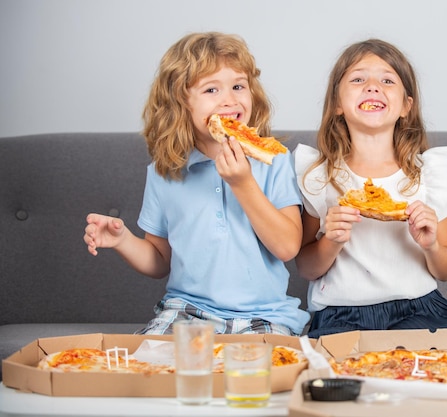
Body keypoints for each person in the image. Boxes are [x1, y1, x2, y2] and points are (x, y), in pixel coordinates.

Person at [83, 32, 310, 336]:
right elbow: (160, 260)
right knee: (149, 374)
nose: (229, 100)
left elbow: (286, 247)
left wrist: (243, 183)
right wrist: (123, 240)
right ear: (180, 103)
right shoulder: (165, 171)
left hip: (264, 314)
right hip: (185, 311)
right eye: (211, 89)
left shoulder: (274, 159)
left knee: (258, 379)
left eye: (238, 86)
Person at [294, 39, 447, 338]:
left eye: (387, 80)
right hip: (339, 314)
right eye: (358, 79)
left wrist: (431, 245)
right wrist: (331, 242)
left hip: (418, 308)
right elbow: (306, 268)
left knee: (436, 367)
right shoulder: (320, 176)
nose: (373, 86)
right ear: (336, 103)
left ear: (405, 107)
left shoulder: (427, 174)